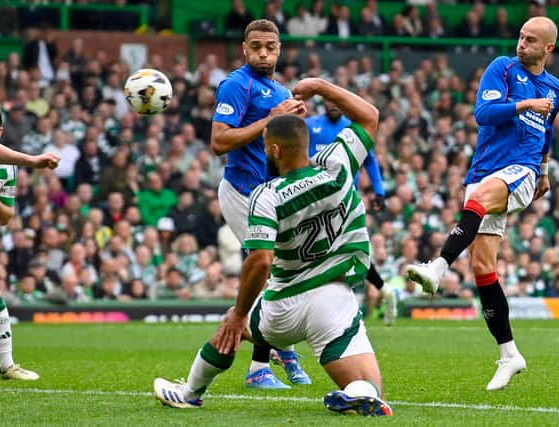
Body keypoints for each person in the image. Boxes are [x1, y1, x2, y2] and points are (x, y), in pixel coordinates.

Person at [154, 77, 392, 416]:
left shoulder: (265, 195)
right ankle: (359, 392)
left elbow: (261, 261)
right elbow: (370, 116)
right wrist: (321, 86)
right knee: (371, 388)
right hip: (334, 301)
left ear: (274, 150)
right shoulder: (338, 166)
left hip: (281, 307)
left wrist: (238, 314)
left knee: (230, 327)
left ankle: (189, 391)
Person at [406, 17, 559, 391]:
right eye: (520, 36)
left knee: (479, 200)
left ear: (548, 48)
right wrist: (523, 103)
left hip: (521, 169)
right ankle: (509, 354)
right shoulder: (502, 68)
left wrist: (543, 171)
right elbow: (483, 114)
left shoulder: (557, 88)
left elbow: (548, 128)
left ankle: (439, 267)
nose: (521, 44)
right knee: (482, 266)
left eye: (530, 40)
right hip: (485, 169)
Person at [210, 19, 310, 389]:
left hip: (270, 196)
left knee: (282, 272)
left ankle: (278, 353)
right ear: (244, 48)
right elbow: (219, 141)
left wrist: (290, 124)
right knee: (266, 269)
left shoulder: (279, 90)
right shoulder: (236, 85)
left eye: (270, 46)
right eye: (256, 46)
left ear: (279, 48)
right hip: (241, 193)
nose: (263, 52)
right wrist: (270, 119)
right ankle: (262, 366)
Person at [306, 100, 398, 325]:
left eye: (337, 102)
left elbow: (370, 159)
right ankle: (383, 289)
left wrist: (379, 192)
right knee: (329, 251)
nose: (333, 106)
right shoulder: (310, 126)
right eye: (328, 102)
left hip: (346, 199)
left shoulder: (353, 128)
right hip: (314, 200)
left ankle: (365, 297)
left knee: (351, 249)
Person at [0, 102, 60, 380]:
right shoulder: (10, 158)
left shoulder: (6, 168)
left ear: (1, 130)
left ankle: (6, 365)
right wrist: (32, 160)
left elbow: (5, 218)